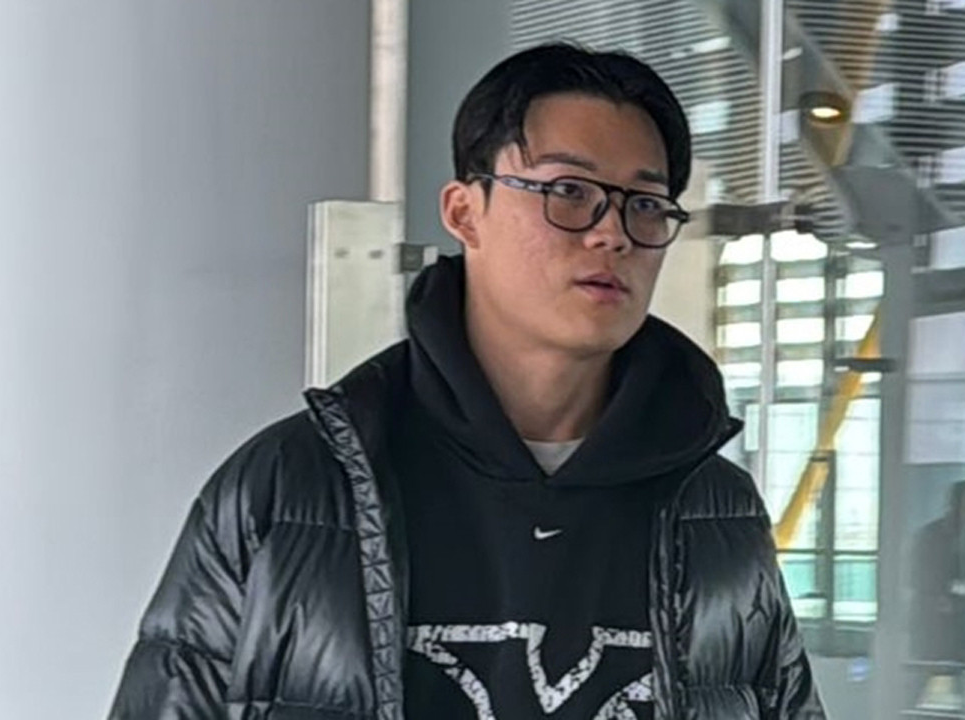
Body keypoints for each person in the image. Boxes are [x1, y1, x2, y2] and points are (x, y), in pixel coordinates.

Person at [110, 43, 824, 719]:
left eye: (643, 204)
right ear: (463, 212)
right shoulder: (285, 489)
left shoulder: (717, 514)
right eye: (569, 191)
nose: (611, 233)